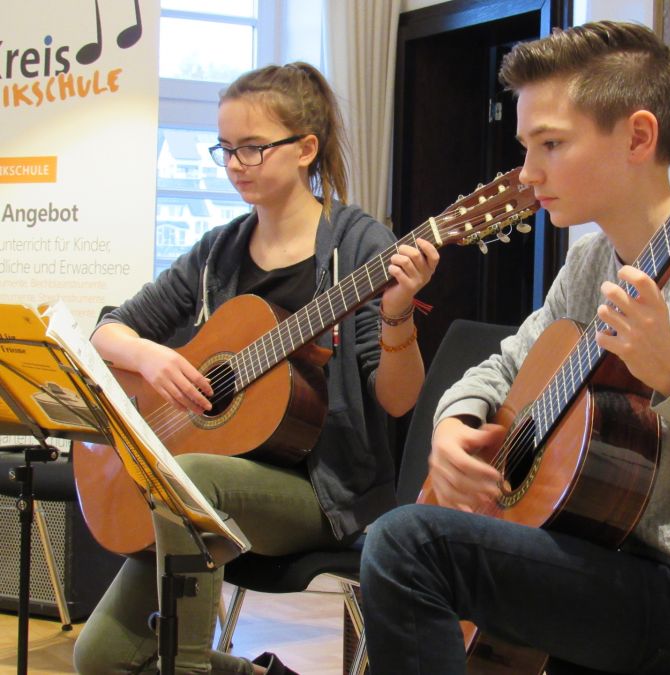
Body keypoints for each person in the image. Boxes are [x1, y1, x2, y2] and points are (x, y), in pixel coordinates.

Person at [360, 20, 670, 675]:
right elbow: (506, 366)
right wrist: (454, 421)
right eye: (526, 146)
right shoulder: (589, 263)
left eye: (551, 144)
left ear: (638, 136)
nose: (528, 174)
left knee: (405, 543)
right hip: (612, 560)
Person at [73, 62, 439, 675]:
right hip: (198, 495)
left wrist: (399, 317)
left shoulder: (359, 247)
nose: (236, 162)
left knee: (192, 478)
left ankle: (182, 667)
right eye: (225, 148)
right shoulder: (219, 251)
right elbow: (108, 330)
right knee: (101, 655)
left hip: (322, 494)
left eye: (253, 147)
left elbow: (399, 401)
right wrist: (152, 357)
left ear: (306, 149)